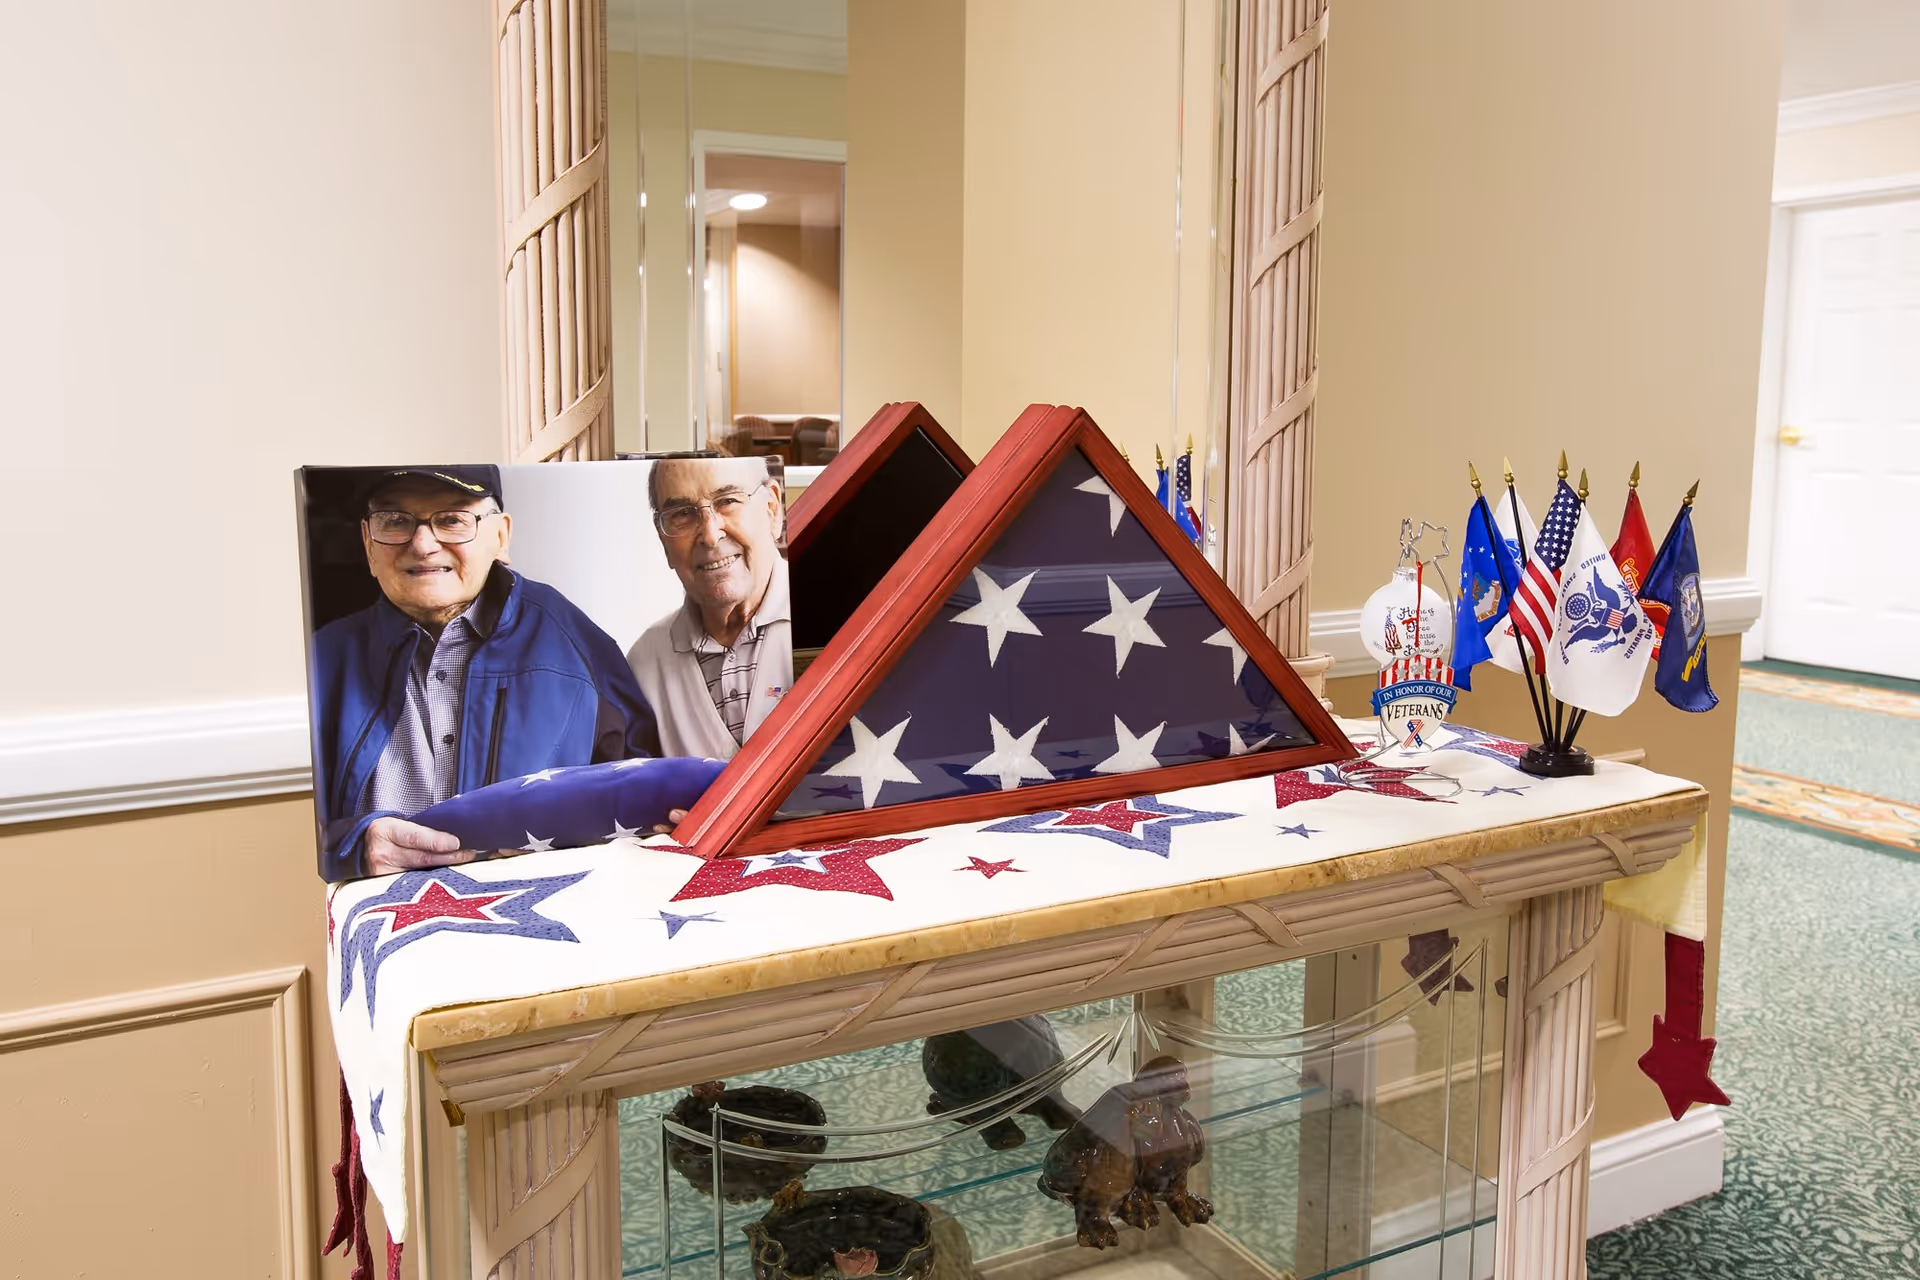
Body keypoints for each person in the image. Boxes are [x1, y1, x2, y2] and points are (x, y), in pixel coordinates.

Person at [309, 466, 661, 882]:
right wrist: (352, 848)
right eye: (395, 521)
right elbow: (288, 837)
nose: (422, 545)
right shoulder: (321, 658)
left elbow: (642, 802)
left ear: (501, 536)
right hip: (378, 921)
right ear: (369, 545)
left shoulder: (574, 643)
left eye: (453, 519)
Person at [628, 456, 793, 759]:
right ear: (663, 541)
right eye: (682, 514)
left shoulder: (837, 622)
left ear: (772, 510)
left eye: (727, 500)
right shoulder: (643, 663)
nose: (710, 534)